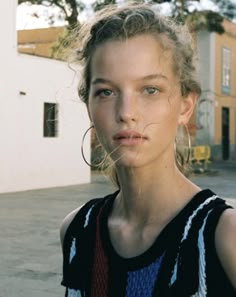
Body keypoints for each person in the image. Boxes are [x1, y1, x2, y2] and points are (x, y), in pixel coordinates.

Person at [60, 3, 236, 296]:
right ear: (89, 107)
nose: (127, 112)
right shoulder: (77, 230)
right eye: (106, 92)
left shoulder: (223, 236)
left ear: (185, 106)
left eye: (150, 90)